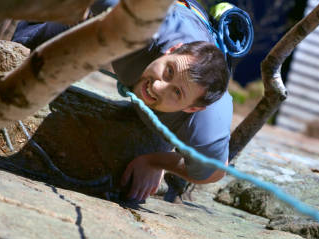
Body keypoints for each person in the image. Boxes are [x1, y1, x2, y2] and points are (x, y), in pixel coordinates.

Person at [13, 0, 233, 201]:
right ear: (171, 50)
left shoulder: (206, 120)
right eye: (168, 71)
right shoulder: (137, 20)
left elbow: (214, 171)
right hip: (164, 15)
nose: (157, 86)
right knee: (23, 43)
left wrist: (156, 161)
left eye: (177, 93)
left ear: (192, 107)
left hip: (195, 30)